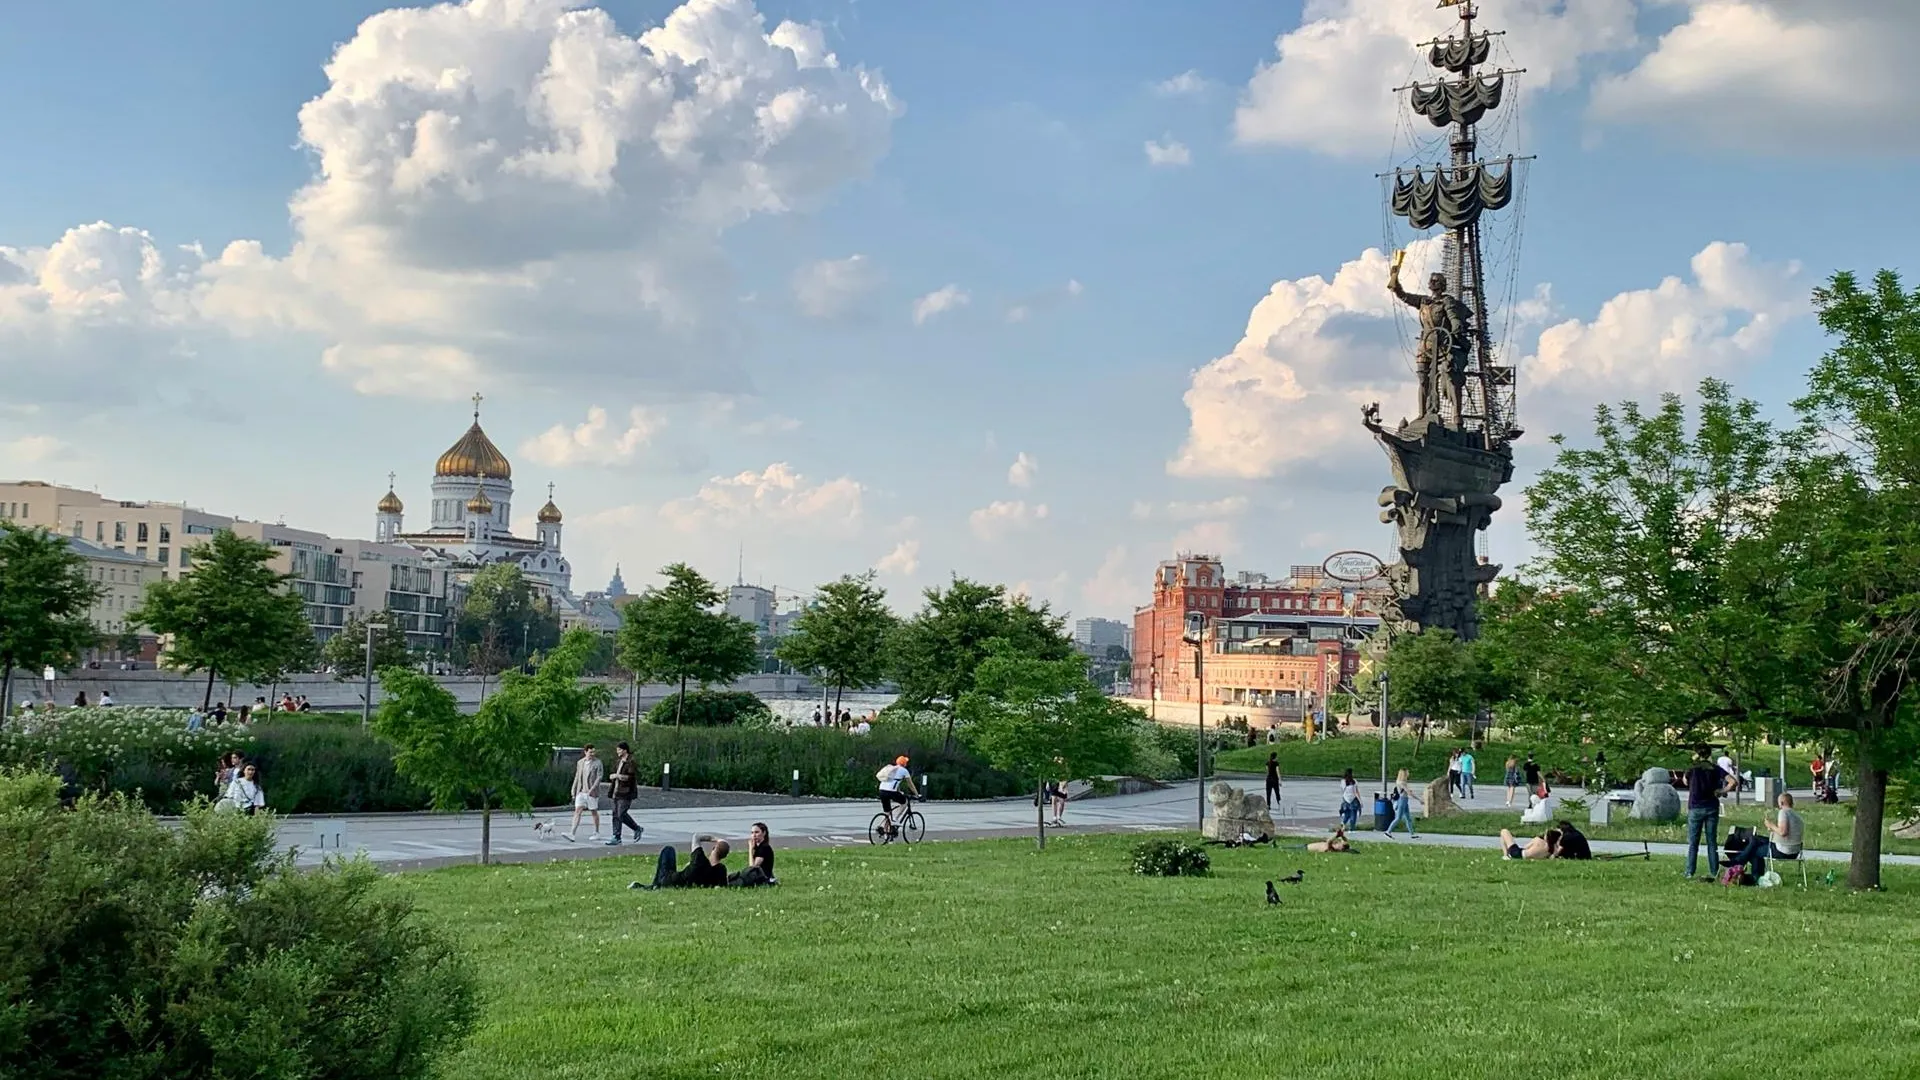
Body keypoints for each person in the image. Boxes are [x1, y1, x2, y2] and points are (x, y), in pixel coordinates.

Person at [1674, 747, 1735, 879]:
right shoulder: (1715, 768)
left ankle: (1690, 872)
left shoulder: (1692, 768)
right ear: (1709, 754)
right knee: (1711, 841)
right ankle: (1714, 872)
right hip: (1712, 807)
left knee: (1693, 842)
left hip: (1695, 807)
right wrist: (1722, 791)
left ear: (1697, 754)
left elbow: (1685, 781)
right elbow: (1733, 781)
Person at [1727, 793, 1805, 873]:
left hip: (1783, 850)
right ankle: (1739, 860)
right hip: (1795, 851)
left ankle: (1754, 875)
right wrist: (1773, 829)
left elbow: (1783, 832)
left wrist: (1771, 825)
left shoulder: (1783, 812)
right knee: (1755, 839)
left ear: (1781, 803)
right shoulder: (1797, 817)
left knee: (1754, 850)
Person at [545, 745, 603, 842]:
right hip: (581, 791)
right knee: (577, 811)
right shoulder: (580, 762)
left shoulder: (598, 763)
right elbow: (577, 776)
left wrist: (592, 789)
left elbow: (599, 777)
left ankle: (596, 832)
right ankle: (572, 833)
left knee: (593, 811)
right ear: (585, 752)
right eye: (590, 752)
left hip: (591, 792)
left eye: (594, 752)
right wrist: (573, 789)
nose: (593, 754)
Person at [650, 834, 730, 888]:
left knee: (668, 850)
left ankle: (655, 885)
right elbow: (724, 885)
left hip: (670, 880)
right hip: (685, 882)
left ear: (714, 848)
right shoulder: (721, 870)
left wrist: (716, 839)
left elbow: (696, 837)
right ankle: (655, 885)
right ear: (724, 856)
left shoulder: (699, 860)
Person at [604, 742, 644, 845]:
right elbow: (613, 773)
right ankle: (616, 836)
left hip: (626, 792)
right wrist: (613, 776)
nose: (617, 752)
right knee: (615, 814)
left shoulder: (631, 762)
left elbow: (631, 777)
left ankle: (636, 828)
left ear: (625, 750)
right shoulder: (618, 762)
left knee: (621, 813)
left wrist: (619, 776)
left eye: (619, 750)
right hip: (615, 791)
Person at [876, 755, 920, 836]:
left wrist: (899, 791)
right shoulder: (904, 771)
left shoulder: (892, 769)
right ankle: (895, 820)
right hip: (891, 792)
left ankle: (883, 828)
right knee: (904, 802)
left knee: (887, 812)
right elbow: (910, 784)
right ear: (905, 764)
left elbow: (896, 782)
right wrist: (916, 794)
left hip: (882, 791)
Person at [1385, 768, 1420, 839]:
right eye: (1407, 772)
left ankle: (1412, 834)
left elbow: (1406, 791)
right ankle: (1388, 832)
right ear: (1404, 774)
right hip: (1402, 800)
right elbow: (1409, 793)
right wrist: (1419, 799)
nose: (1408, 773)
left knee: (1408, 818)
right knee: (1398, 818)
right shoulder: (1401, 782)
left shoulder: (1402, 782)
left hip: (1405, 800)